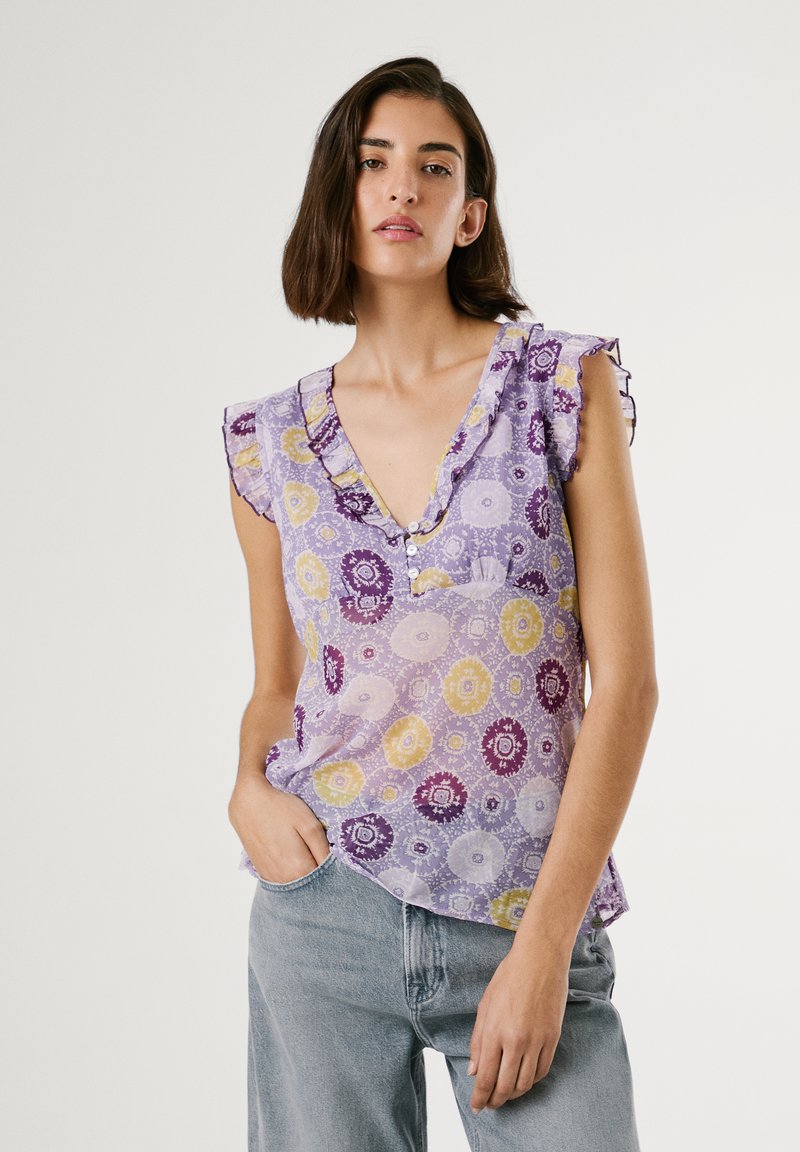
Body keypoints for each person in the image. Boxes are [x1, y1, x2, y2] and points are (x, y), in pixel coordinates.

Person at [221, 55, 657, 1152]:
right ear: (338, 197)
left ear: (470, 215)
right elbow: (277, 686)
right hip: (324, 911)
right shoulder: (268, 442)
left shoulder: (559, 386)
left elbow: (627, 685)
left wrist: (545, 949)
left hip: (521, 912)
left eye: (433, 166)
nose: (401, 188)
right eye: (373, 164)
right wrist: (246, 787)